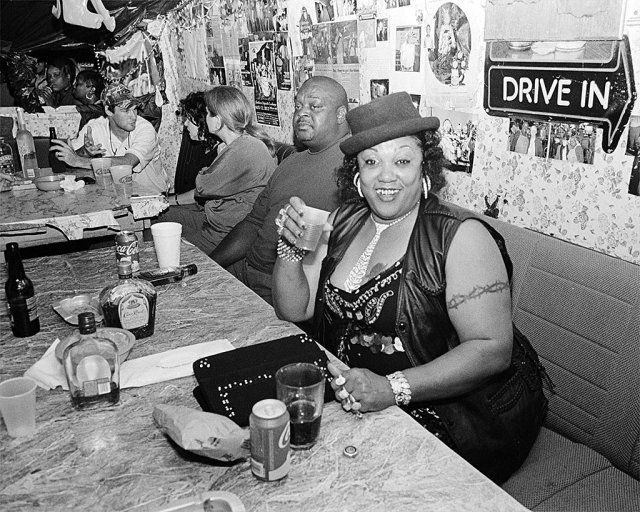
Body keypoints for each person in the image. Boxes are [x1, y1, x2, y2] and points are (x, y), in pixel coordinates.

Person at [272, 92, 548, 483]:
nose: (386, 176)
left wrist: (391, 388)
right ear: (356, 174)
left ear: (425, 168)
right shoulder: (343, 220)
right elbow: (294, 309)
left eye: (402, 160)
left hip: (454, 422)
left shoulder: (459, 237)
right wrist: (288, 249)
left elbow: (492, 350)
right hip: (359, 405)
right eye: (371, 162)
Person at [210, 76, 350, 304]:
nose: (301, 113)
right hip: (245, 271)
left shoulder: (352, 167)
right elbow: (254, 222)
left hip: (282, 288)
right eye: (298, 106)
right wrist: (210, 265)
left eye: (314, 106)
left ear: (341, 114)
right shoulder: (291, 162)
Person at [159, 86, 277, 254]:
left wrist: (220, 152)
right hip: (214, 219)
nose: (205, 118)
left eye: (207, 113)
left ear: (219, 119)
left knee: (167, 247)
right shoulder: (241, 143)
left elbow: (203, 185)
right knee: (161, 216)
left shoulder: (244, 148)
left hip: (226, 232)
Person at [49, 83, 166, 194]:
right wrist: (84, 152)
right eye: (126, 110)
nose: (133, 116)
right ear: (108, 110)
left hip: (152, 198)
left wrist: (79, 161)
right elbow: (64, 160)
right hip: (116, 196)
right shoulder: (95, 127)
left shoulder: (145, 129)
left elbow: (128, 163)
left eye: (135, 109)